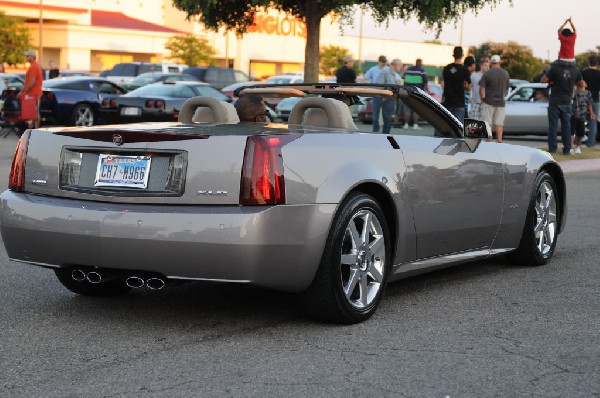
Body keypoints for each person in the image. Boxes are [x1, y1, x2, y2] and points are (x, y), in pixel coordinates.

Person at [541, 59, 583, 154]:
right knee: (566, 126)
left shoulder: (555, 68)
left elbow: (543, 80)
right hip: (567, 101)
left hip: (555, 100)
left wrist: (551, 76)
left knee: (553, 126)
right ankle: (567, 149)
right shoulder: (575, 70)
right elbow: (582, 84)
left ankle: (552, 148)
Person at [478, 54, 510, 142]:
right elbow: (507, 88)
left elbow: (481, 89)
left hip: (488, 101)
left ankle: (488, 142)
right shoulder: (505, 73)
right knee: (499, 123)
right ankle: (499, 141)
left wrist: (482, 99)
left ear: (491, 63)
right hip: (501, 102)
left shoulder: (487, 73)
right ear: (499, 62)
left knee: (488, 123)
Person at [442, 46, 471, 123]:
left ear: (453, 55)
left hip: (447, 101)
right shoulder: (465, 70)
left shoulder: (446, 68)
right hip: (459, 101)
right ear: (462, 56)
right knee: (457, 127)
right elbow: (468, 86)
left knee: (447, 124)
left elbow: (443, 84)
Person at [374, 58, 402, 134]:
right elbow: (379, 84)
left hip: (390, 98)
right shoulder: (385, 72)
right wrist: (383, 96)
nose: (401, 66)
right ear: (395, 65)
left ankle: (385, 135)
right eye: (400, 65)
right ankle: (375, 135)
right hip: (382, 98)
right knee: (376, 118)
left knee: (388, 119)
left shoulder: (396, 75)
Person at [364, 55, 390, 133]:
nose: (384, 63)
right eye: (382, 62)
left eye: (385, 62)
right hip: (376, 92)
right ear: (379, 61)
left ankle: (386, 132)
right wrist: (369, 87)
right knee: (375, 115)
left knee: (387, 116)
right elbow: (365, 78)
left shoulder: (388, 69)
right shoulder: (373, 69)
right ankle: (375, 131)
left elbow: (397, 78)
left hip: (386, 93)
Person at [403, 58, 429, 129]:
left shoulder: (408, 70)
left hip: (407, 92)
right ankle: (415, 125)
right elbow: (426, 83)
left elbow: (404, 79)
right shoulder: (422, 71)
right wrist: (428, 91)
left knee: (407, 109)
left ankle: (406, 124)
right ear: (421, 63)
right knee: (417, 109)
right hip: (417, 93)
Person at [570, 79, 595, 154]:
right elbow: (571, 97)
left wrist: (591, 113)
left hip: (582, 115)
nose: (584, 82)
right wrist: (574, 89)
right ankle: (570, 147)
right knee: (571, 132)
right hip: (573, 114)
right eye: (583, 81)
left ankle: (578, 147)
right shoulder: (575, 91)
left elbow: (589, 103)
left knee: (581, 132)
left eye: (584, 81)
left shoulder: (588, 93)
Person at [21, 49, 44, 129]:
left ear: (32, 57)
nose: (26, 57)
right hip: (33, 93)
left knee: (35, 112)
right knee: (33, 112)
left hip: (34, 93)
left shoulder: (34, 66)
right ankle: (33, 129)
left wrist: (24, 91)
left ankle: (36, 130)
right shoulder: (34, 66)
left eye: (28, 56)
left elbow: (32, 81)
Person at [581, 55, 600, 147]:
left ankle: (578, 142)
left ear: (588, 62)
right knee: (593, 122)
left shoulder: (583, 73)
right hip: (595, 100)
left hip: (583, 100)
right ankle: (591, 143)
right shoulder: (599, 74)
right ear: (597, 63)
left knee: (580, 120)